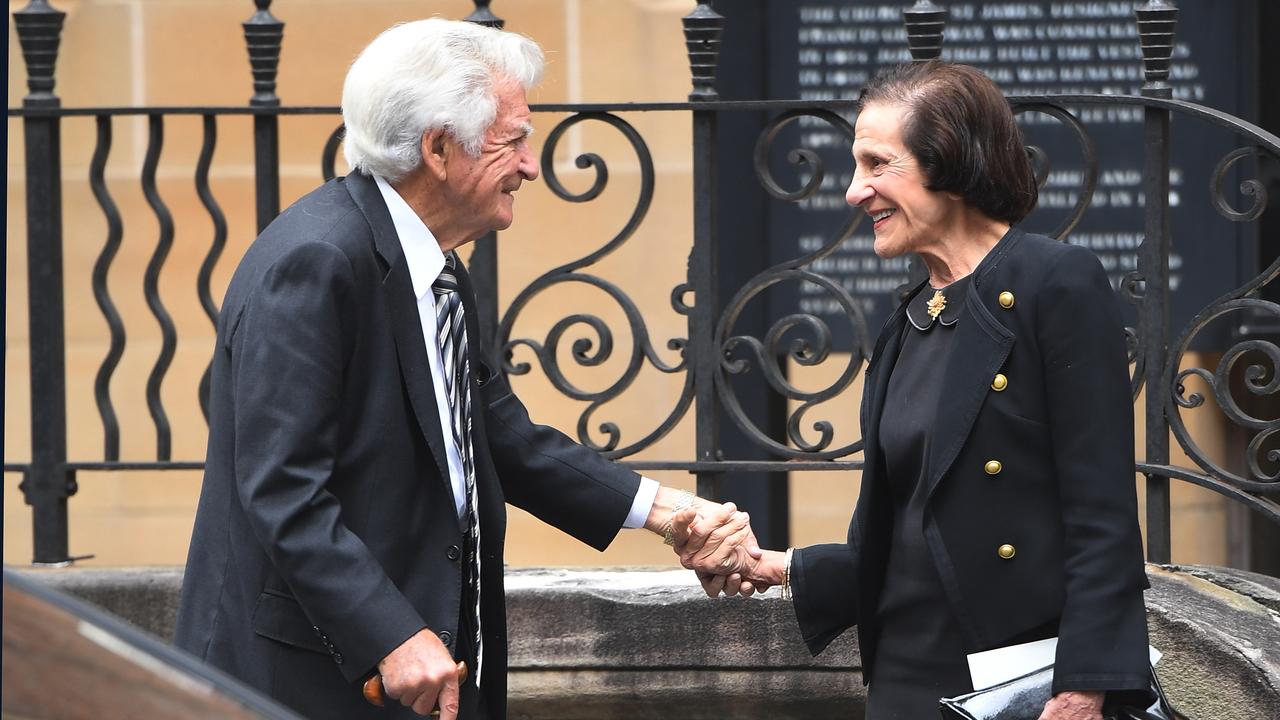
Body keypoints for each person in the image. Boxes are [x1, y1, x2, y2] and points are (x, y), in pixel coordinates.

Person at [173, 19, 754, 720]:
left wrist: (667, 511)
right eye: (513, 142)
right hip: (306, 683)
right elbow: (282, 491)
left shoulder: (433, 261)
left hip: (427, 673)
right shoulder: (318, 261)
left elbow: (495, 432)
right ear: (439, 149)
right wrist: (390, 633)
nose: (532, 167)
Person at [676, 60, 1152, 720]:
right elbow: (910, 534)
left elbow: (1101, 513)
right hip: (903, 678)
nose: (853, 191)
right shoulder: (909, 318)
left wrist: (1083, 686)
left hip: (1017, 683)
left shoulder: (1054, 282)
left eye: (876, 164)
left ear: (949, 163)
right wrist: (778, 567)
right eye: (854, 166)